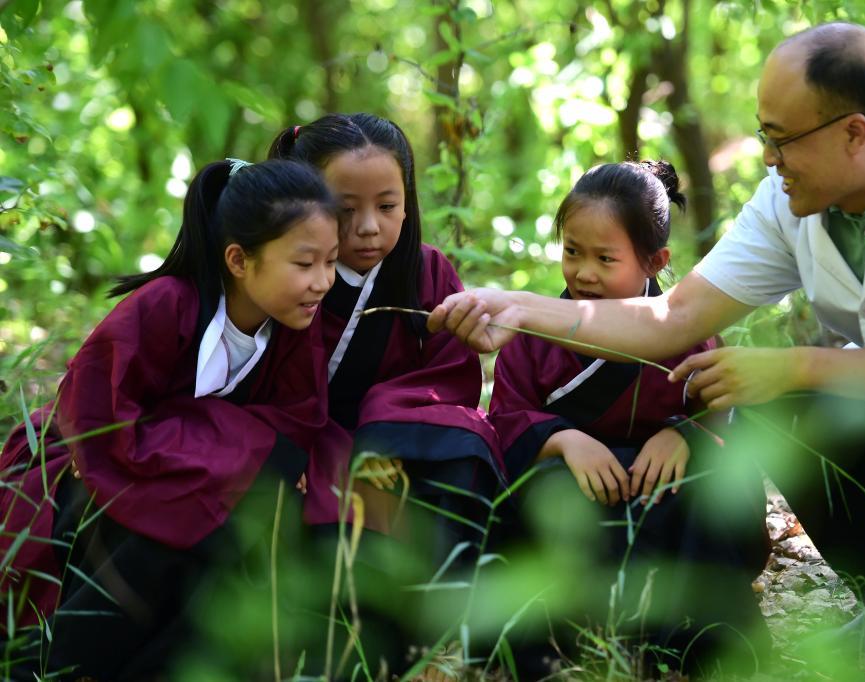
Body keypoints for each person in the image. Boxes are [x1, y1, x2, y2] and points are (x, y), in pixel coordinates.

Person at [429, 22, 865, 635]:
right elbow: (675, 316)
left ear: (854, 133)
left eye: (782, 138)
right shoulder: (788, 201)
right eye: (765, 135)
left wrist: (793, 366)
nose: (769, 157)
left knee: (797, 391)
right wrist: (520, 308)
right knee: (782, 410)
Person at [0, 159, 348, 679]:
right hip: (93, 470)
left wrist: (236, 454)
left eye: (331, 262)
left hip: (195, 477)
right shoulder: (164, 305)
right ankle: (58, 665)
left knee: (251, 534)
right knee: (157, 535)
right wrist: (227, 448)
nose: (323, 282)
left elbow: (291, 425)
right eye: (304, 264)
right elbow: (96, 418)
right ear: (238, 259)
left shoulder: (296, 326)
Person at [487, 159, 769, 673]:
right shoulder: (534, 339)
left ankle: (705, 643)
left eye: (604, 258)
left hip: (670, 497)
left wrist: (685, 435)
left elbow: (724, 412)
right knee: (547, 490)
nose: (583, 273)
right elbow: (504, 420)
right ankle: (562, 640)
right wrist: (563, 441)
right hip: (580, 494)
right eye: (572, 252)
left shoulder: (688, 332)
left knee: (705, 487)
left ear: (654, 261)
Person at [267, 114, 503, 545]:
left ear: (408, 202)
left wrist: (385, 427)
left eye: (387, 206)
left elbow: (452, 376)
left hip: (403, 436)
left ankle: (452, 593)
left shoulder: (428, 271)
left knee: (469, 447)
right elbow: (266, 383)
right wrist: (307, 446)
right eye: (346, 209)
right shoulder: (286, 277)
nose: (369, 227)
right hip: (312, 437)